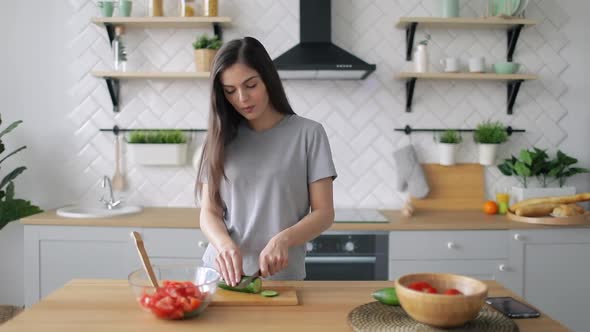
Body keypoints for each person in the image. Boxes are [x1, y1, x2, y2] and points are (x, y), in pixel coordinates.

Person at [196, 37, 337, 286]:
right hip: (220, 277)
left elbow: (324, 213)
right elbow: (209, 212)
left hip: (281, 279)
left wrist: (282, 240)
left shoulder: (308, 134)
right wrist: (223, 244)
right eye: (230, 91)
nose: (242, 98)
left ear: (268, 79)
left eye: (250, 85)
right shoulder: (219, 138)